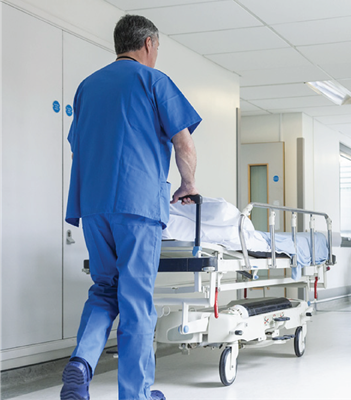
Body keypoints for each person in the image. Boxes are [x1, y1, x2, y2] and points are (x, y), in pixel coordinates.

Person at [62, 15, 202, 400]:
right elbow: (184, 144)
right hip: (137, 205)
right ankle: (135, 394)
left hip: (92, 205)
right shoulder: (155, 81)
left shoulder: (86, 87)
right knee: (136, 298)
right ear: (149, 44)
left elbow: (79, 145)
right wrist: (188, 185)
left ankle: (81, 363)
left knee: (105, 288)